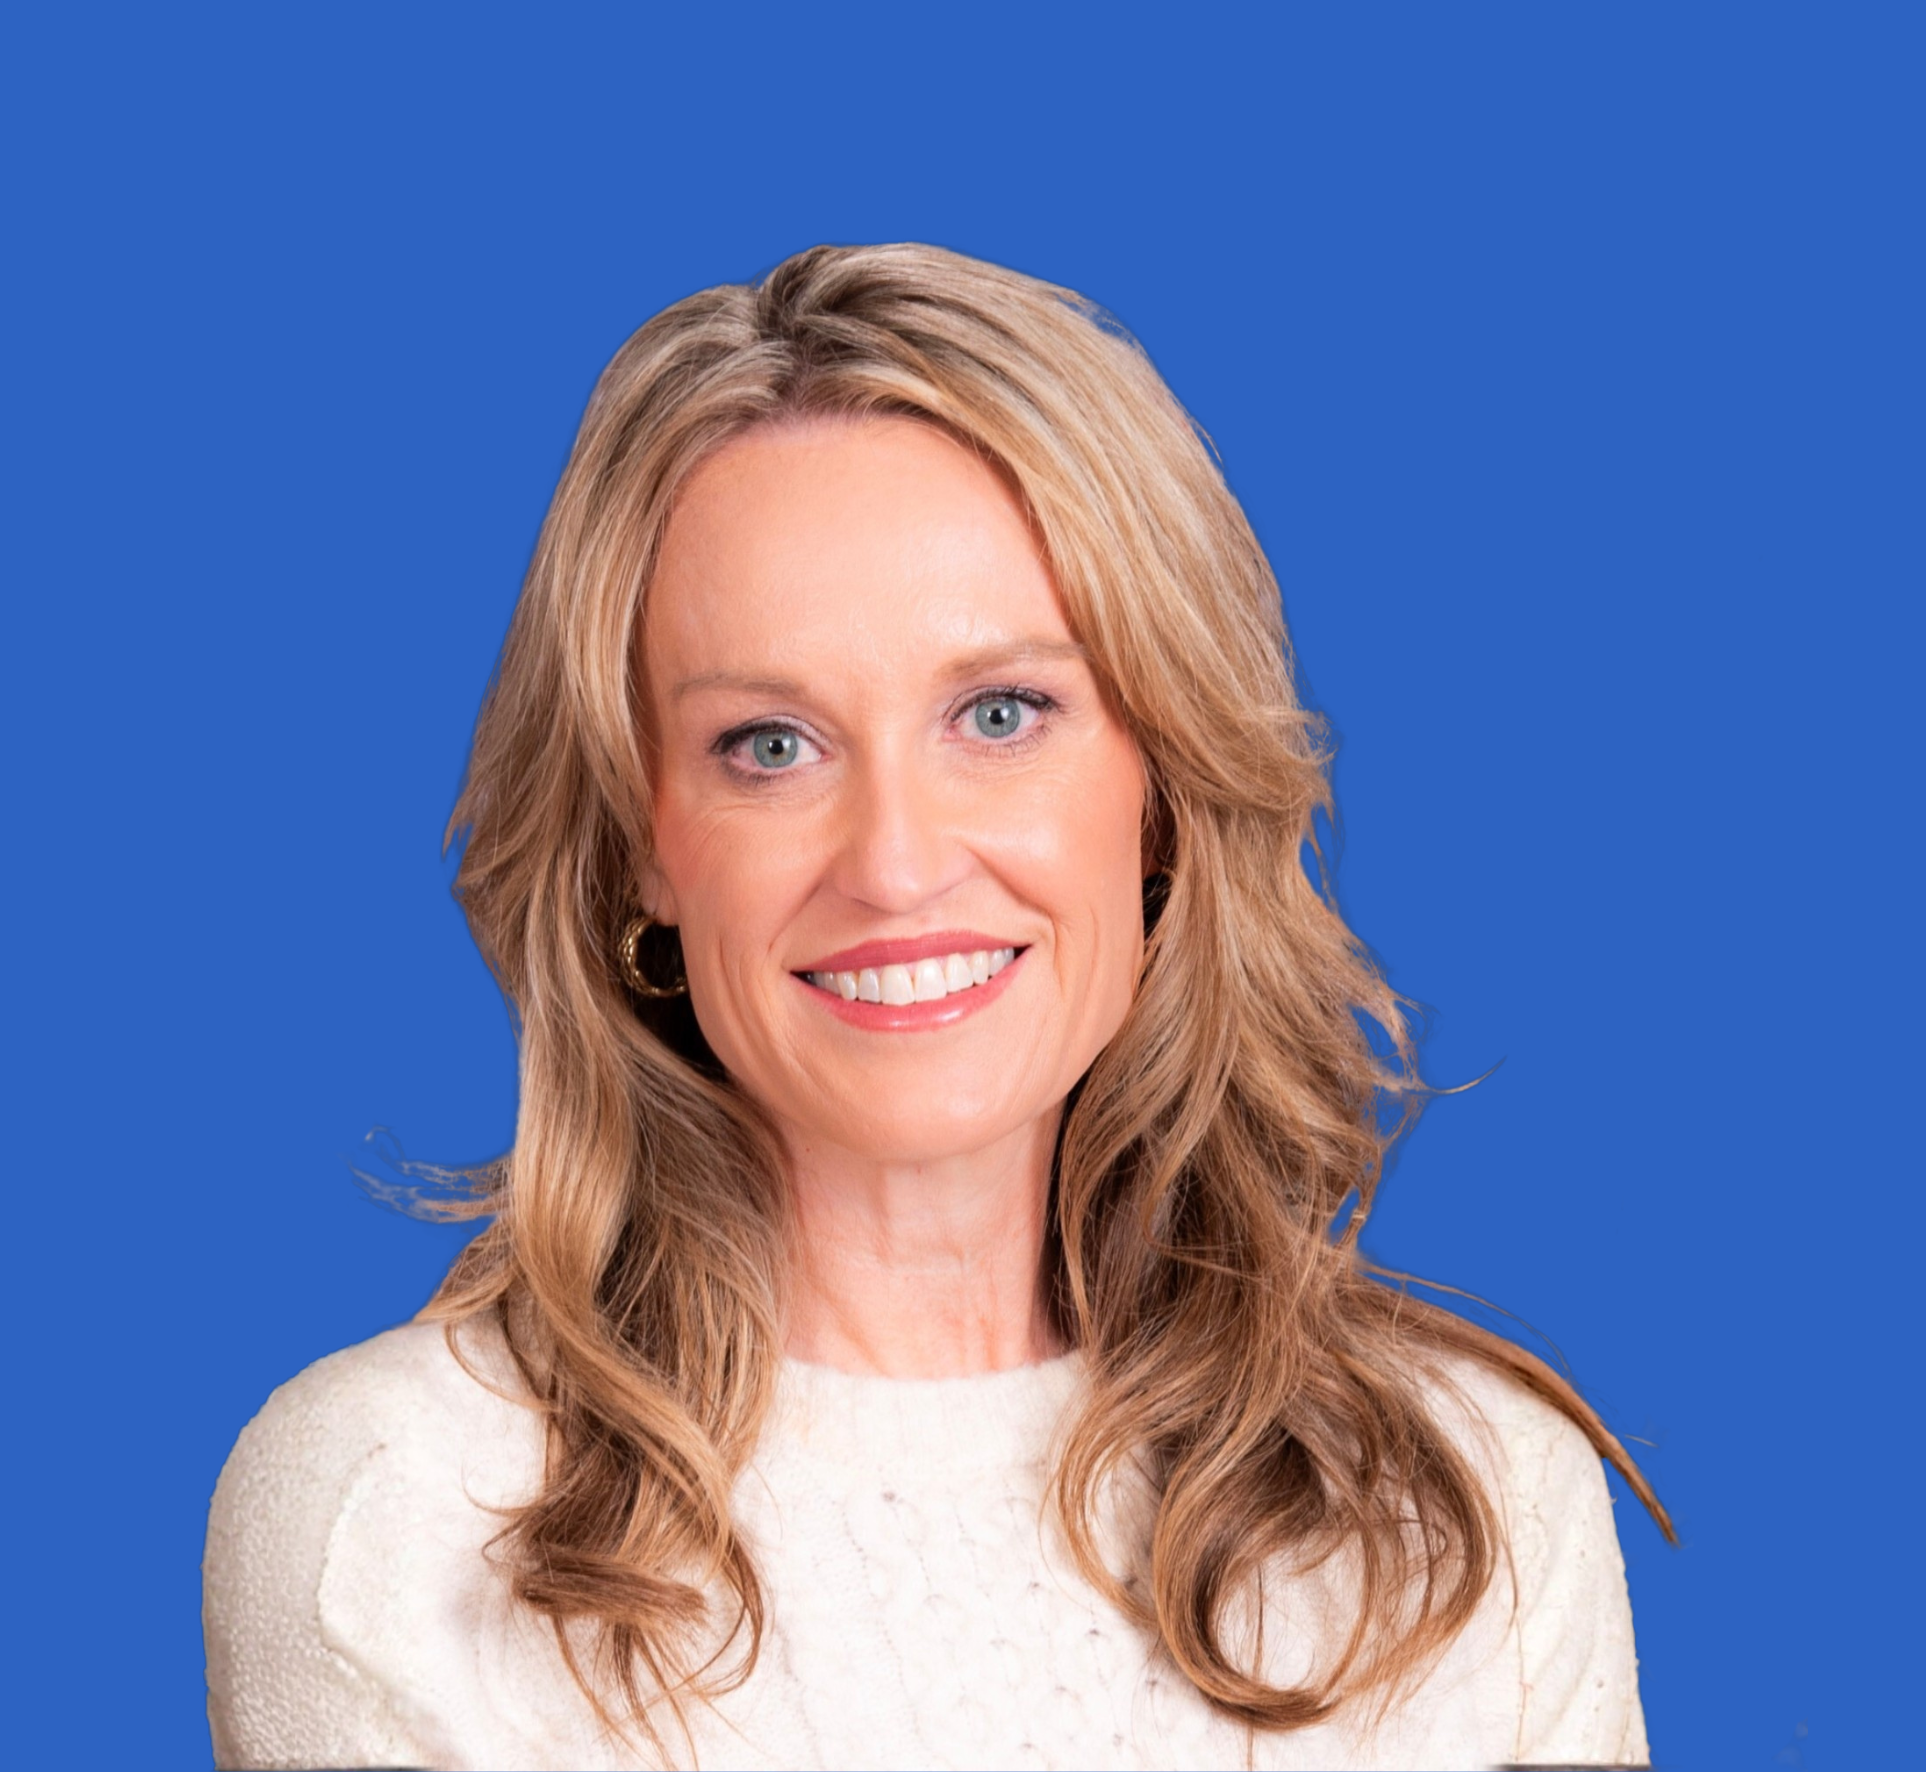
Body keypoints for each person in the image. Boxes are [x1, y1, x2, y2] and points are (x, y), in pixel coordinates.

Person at [203, 242, 1669, 1771]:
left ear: (1161, 784)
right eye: (768, 745)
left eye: (999, 714)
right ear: (643, 845)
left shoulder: (1466, 1501)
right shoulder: (398, 1506)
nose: (895, 864)